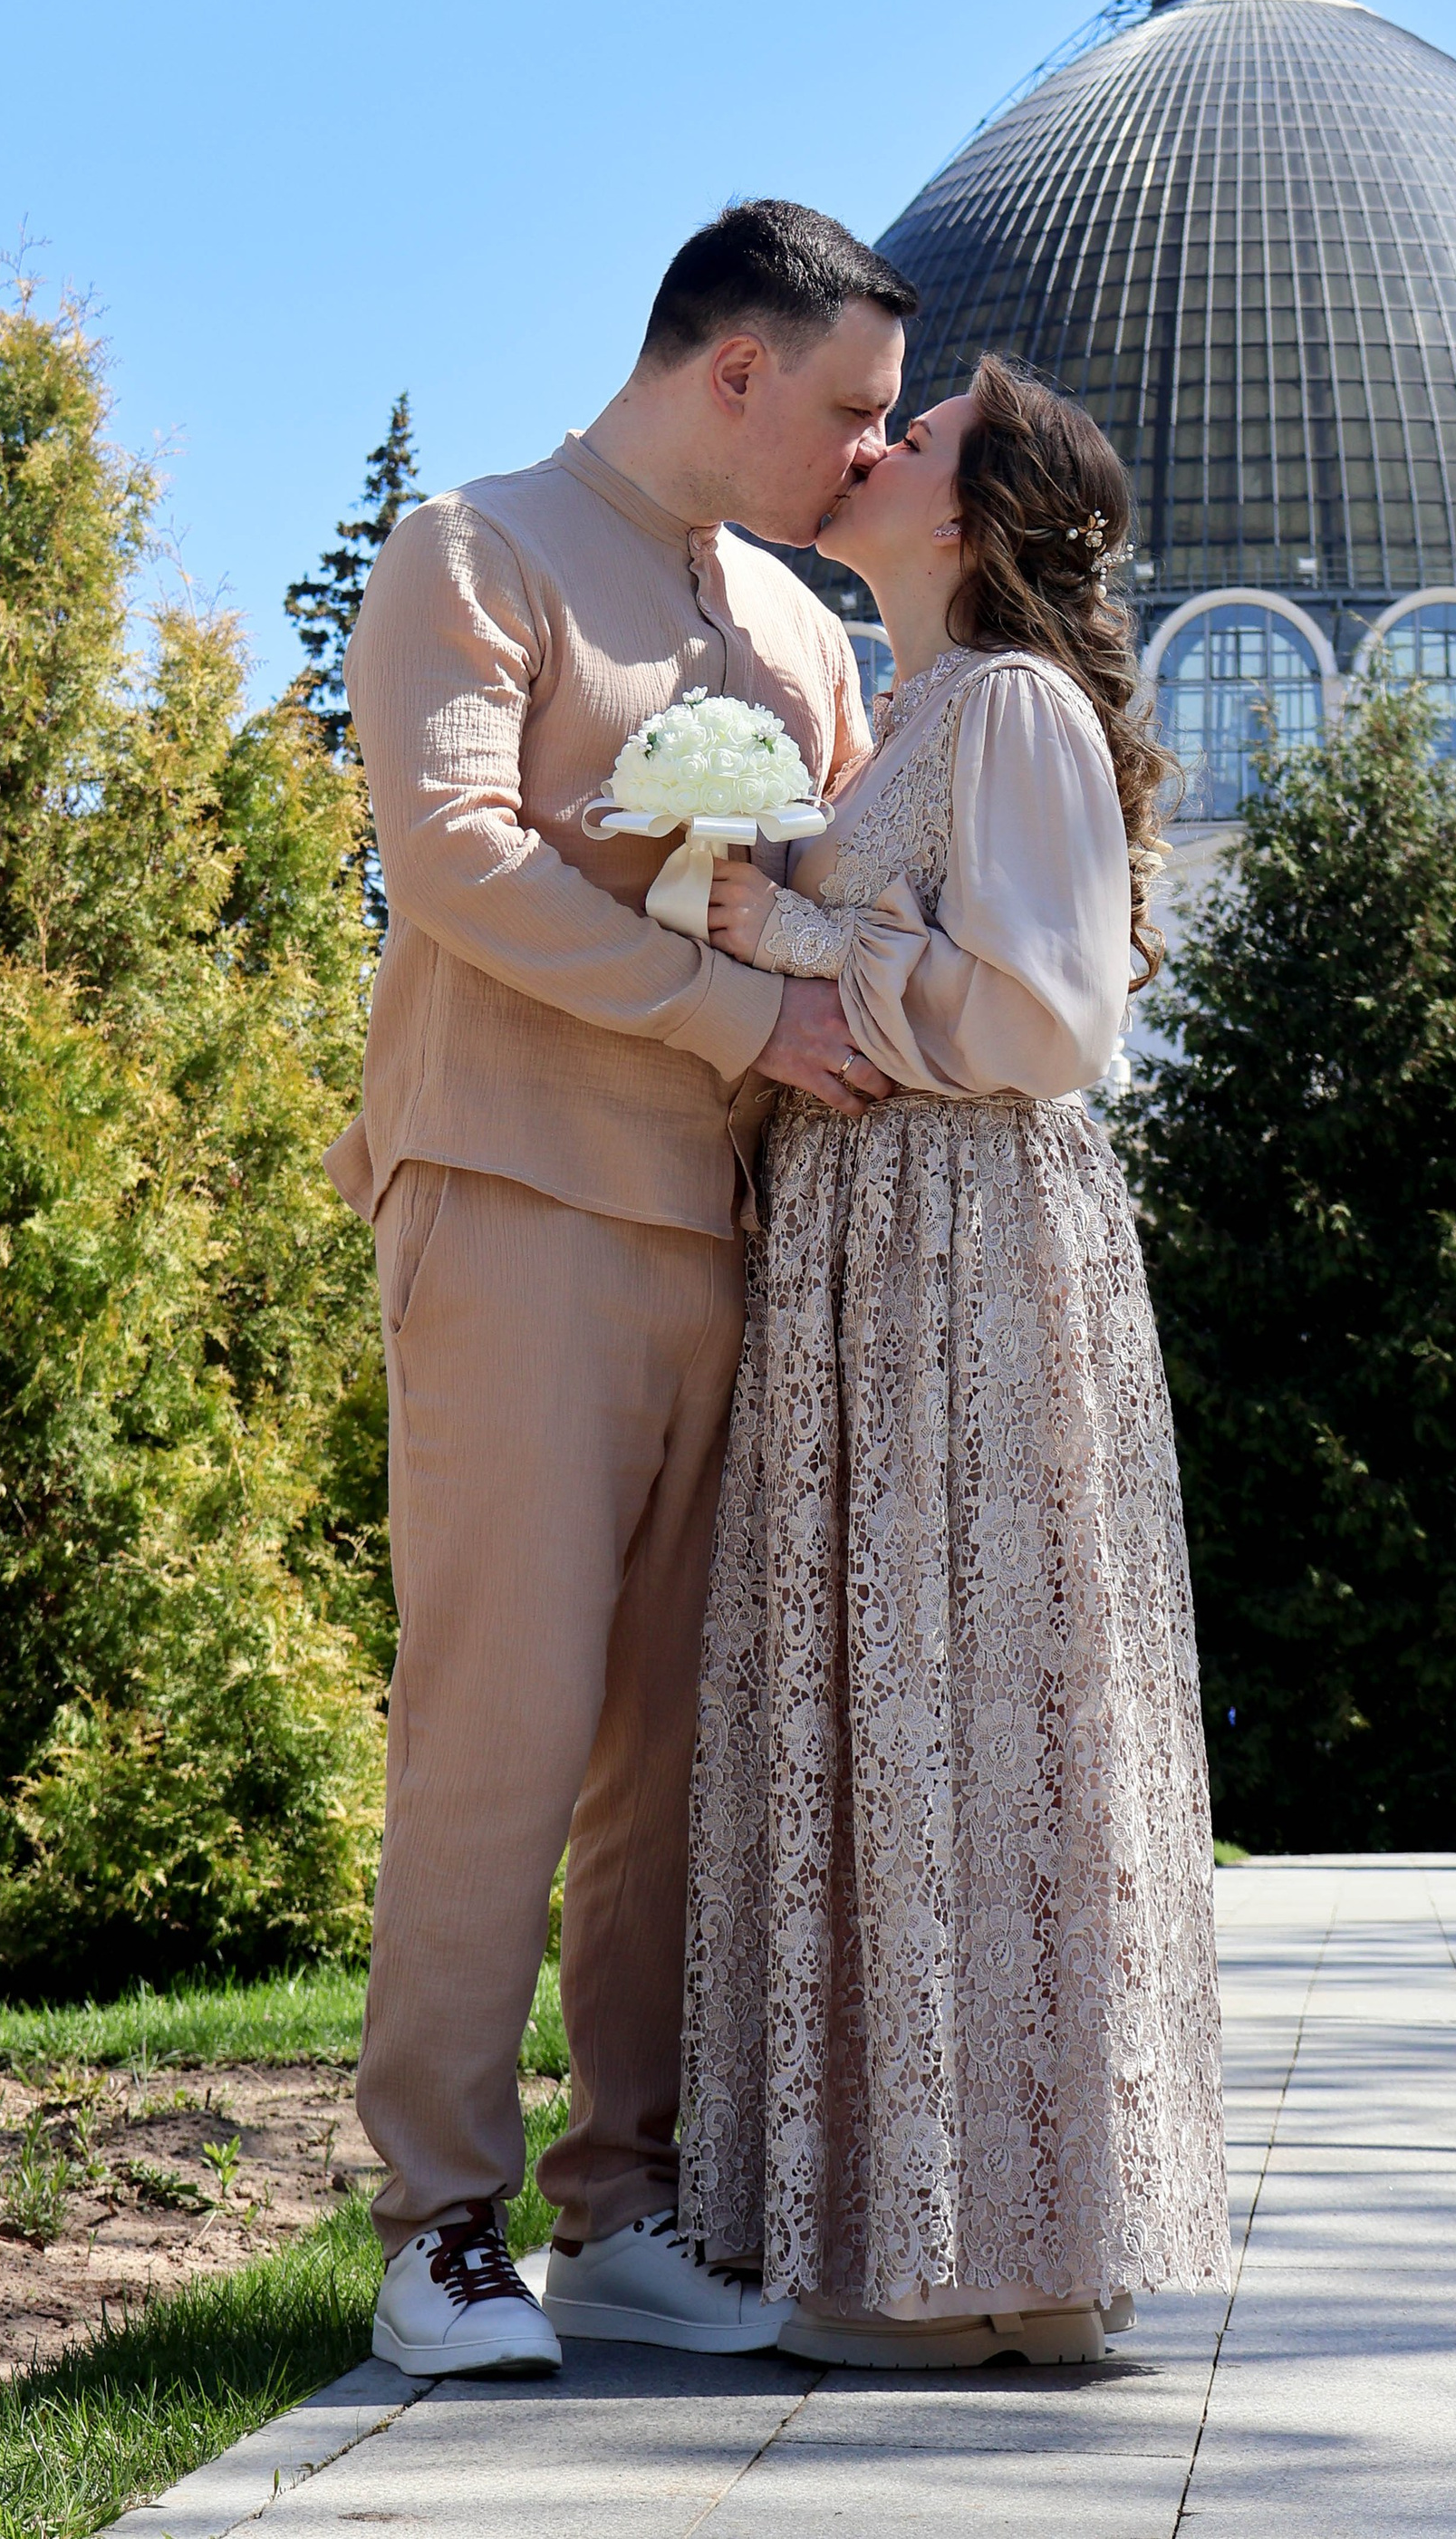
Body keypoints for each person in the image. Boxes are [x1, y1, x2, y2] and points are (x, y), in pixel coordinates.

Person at [327, 201, 916, 2378]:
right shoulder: (470, 550)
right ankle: (435, 2228)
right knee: (500, 1718)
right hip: (512, 1196)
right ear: (730, 370)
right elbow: (455, 858)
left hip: (746, 1239)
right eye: (844, 409)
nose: (865, 457)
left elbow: (845, 882)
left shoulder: (793, 619)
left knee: (672, 1755)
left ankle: (624, 2207)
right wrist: (731, 1017)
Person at [683, 354, 1229, 2365]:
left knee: (971, 1697)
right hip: (870, 1244)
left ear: (973, 513)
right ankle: (938, 2244)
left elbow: (1046, 1022)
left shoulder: (1002, 703)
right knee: (906, 1699)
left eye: (905, 439)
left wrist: (794, 938)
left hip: (964, 1242)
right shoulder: (905, 708)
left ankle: (996, 2259)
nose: (863, 448)